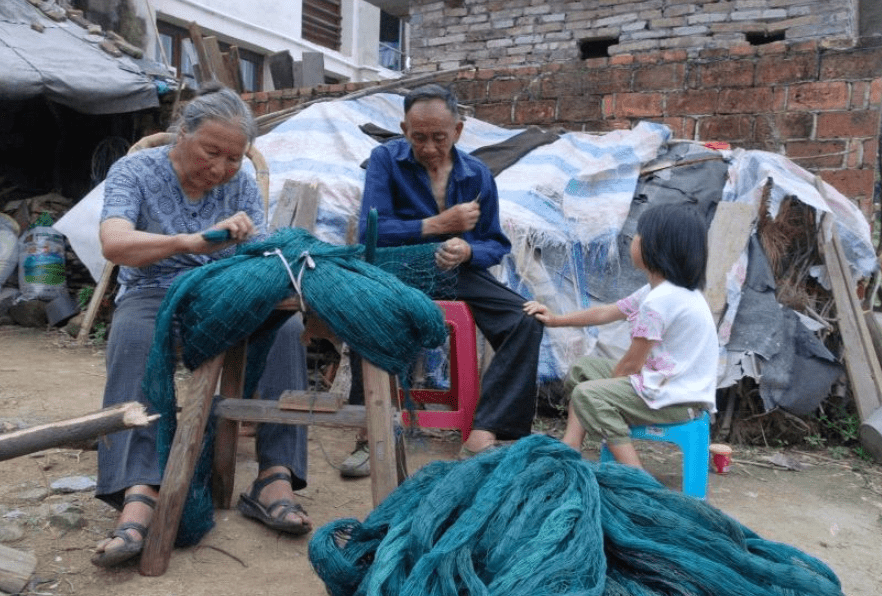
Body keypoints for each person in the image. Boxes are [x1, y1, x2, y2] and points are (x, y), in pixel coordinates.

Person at [92, 83, 311, 568]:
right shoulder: (135, 170)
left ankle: (274, 475)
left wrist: (255, 245)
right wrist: (186, 242)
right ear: (182, 135)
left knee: (285, 331)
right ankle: (140, 490)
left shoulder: (241, 184)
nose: (221, 168)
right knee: (133, 336)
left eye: (234, 158)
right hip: (153, 292)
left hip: (220, 294)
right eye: (211, 151)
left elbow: (263, 251)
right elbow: (114, 242)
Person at [341, 83, 544, 476]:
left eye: (439, 137)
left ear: (459, 131)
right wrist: (438, 224)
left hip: (457, 272)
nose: (430, 147)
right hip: (398, 270)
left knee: (525, 321)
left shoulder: (477, 175)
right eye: (418, 137)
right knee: (366, 310)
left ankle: (485, 430)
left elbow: (494, 243)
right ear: (404, 129)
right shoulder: (384, 160)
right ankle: (371, 435)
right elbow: (372, 233)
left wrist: (468, 251)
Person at [523, 203, 718, 469]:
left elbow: (630, 366)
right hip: (667, 388)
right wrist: (555, 320)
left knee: (587, 394)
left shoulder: (660, 301)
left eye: (639, 235)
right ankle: (571, 445)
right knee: (584, 369)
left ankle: (634, 474)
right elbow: (607, 312)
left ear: (656, 247)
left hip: (676, 399)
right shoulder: (661, 292)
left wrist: (604, 394)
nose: (633, 240)